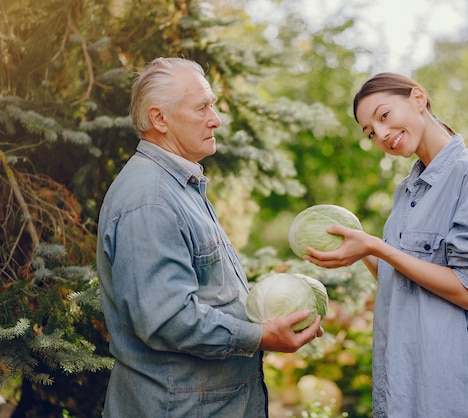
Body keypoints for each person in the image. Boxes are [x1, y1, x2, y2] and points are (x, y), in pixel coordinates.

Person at [96, 57, 322, 418]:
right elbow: (166, 319)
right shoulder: (150, 199)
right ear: (159, 119)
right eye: (202, 107)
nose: (215, 118)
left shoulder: (178, 187)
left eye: (212, 104)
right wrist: (260, 336)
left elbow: (205, 294)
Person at [305, 73, 468, 417]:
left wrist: (377, 247)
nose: (380, 134)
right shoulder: (406, 190)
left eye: (383, 116)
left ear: (418, 98)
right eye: (370, 132)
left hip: (456, 393)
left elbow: (467, 291)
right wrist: (363, 250)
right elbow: (405, 283)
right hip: (408, 388)